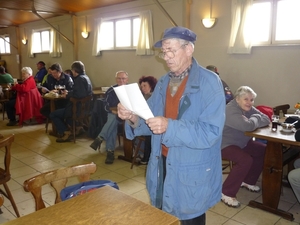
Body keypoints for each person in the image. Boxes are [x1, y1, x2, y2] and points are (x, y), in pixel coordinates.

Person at [117, 26, 225, 224]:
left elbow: (211, 132)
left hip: (191, 165)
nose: (166, 57)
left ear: (189, 49)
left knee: (189, 217)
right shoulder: (164, 81)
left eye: (171, 50)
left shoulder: (210, 82)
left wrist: (169, 126)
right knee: (165, 217)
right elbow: (148, 117)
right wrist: (132, 117)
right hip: (162, 160)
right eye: (163, 51)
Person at [221, 86, 270, 207]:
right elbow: (247, 126)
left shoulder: (247, 108)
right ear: (237, 99)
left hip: (241, 142)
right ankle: (226, 192)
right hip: (225, 144)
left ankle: (248, 181)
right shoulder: (230, 110)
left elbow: (266, 119)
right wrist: (254, 119)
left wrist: (253, 118)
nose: (249, 102)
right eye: (246, 99)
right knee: (245, 160)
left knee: (264, 150)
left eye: (252, 100)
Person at [89, 71, 129, 164]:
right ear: (116, 79)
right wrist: (113, 111)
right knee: (113, 120)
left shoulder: (131, 89)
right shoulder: (111, 90)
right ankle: (110, 152)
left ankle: (100, 138)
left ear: (127, 80)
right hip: (114, 116)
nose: (121, 80)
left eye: (123, 78)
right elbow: (105, 105)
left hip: (129, 117)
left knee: (112, 121)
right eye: (119, 78)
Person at [49, 61, 92, 142]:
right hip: (84, 108)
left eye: (72, 70)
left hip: (77, 109)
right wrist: (69, 93)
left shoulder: (79, 79)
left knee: (53, 114)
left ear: (75, 71)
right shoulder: (86, 77)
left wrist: (67, 95)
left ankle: (66, 132)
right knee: (61, 109)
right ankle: (78, 127)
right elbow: (80, 92)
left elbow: (79, 95)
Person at [138, 75, 157, 164]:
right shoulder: (144, 97)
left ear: (151, 85)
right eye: (141, 86)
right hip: (146, 122)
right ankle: (143, 155)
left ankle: (146, 157)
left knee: (148, 134)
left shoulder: (154, 97)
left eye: (145, 85)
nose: (143, 88)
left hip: (154, 124)